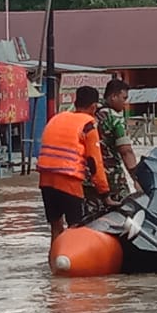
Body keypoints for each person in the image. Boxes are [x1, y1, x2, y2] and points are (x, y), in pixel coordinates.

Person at [38, 85, 111, 242]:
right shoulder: (89, 125)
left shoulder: (57, 118)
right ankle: (71, 264)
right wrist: (105, 193)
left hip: (45, 180)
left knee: (56, 228)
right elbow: (94, 162)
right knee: (74, 229)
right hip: (69, 181)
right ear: (93, 107)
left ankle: (54, 264)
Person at [84, 78, 140, 215]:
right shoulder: (115, 118)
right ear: (113, 96)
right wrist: (137, 180)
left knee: (90, 217)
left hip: (87, 177)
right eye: (123, 98)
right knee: (126, 213)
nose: (125, 103)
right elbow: (126, 151)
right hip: (112, 179)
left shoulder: (89, 113)